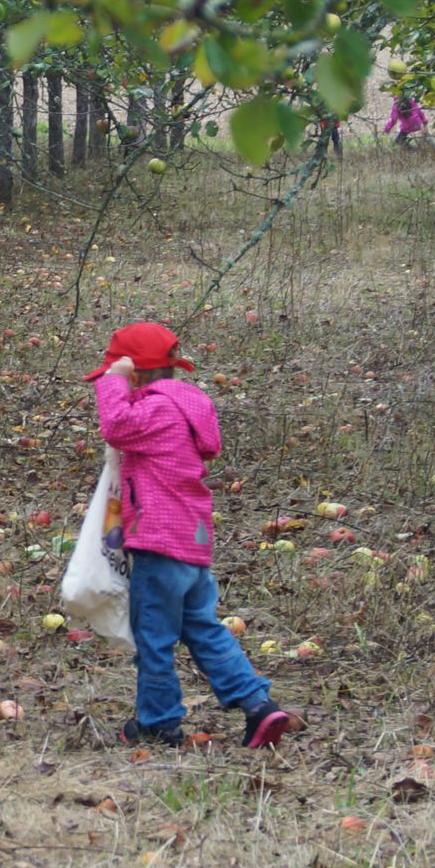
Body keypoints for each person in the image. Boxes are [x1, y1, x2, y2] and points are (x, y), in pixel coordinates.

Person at [91, 321, 293, 750]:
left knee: (154, 638)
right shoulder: (185, 406)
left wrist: (112, 383)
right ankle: (258, 705)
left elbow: (115, 426)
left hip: (159, 545)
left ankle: (159, 721)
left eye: (126, 376)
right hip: (192, 543)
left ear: (137, 375)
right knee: (203, 627)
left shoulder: (155, 411)